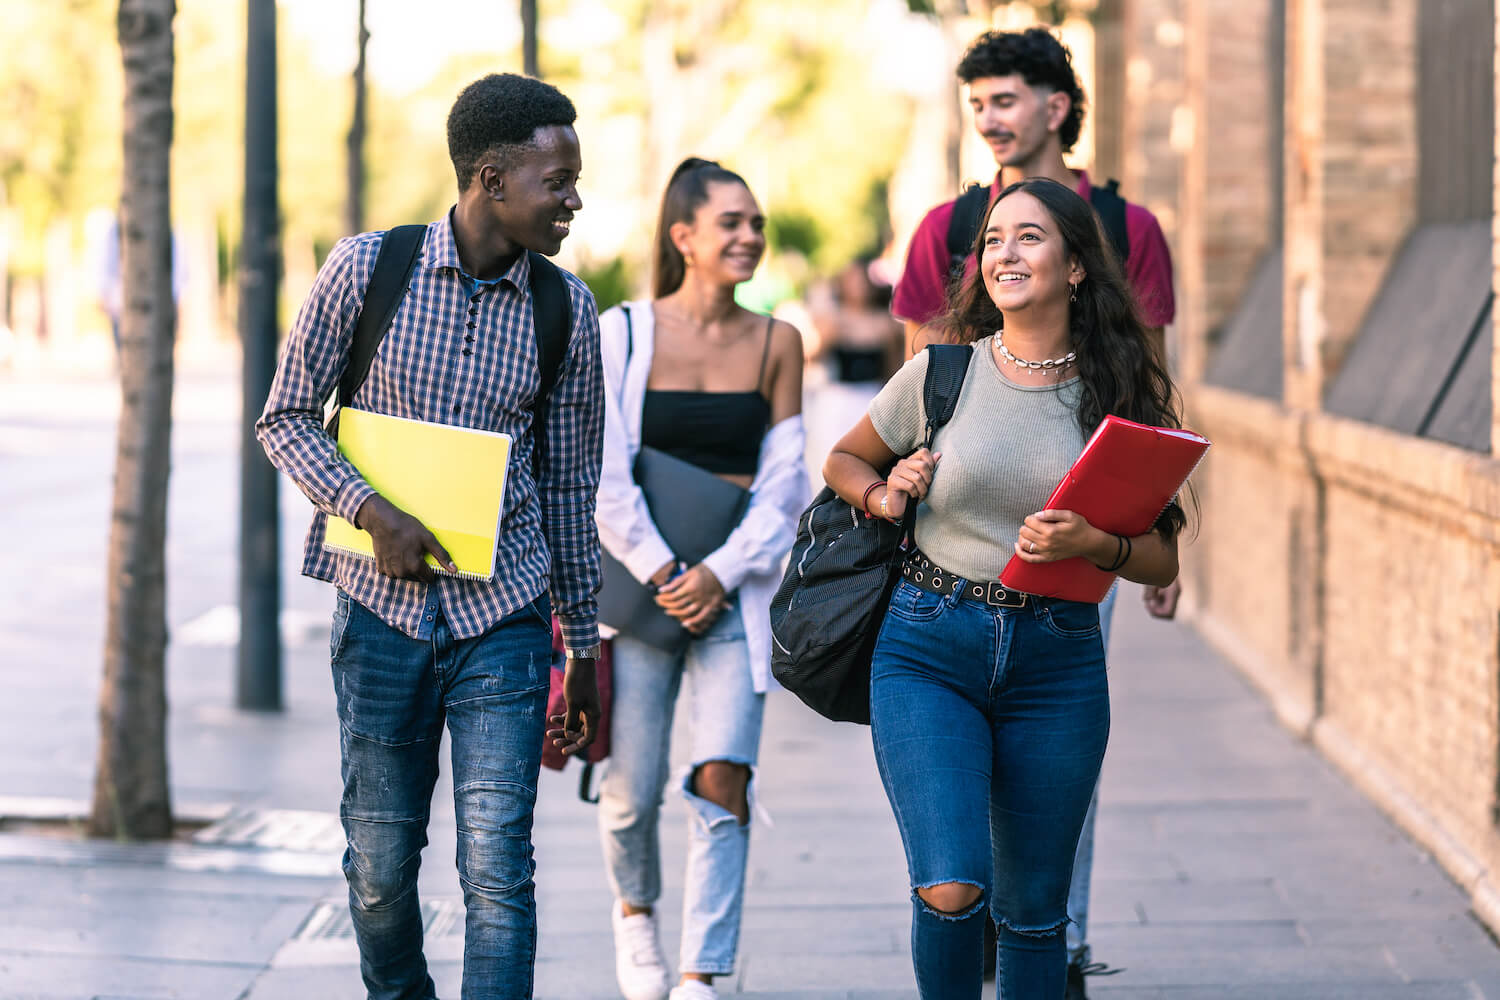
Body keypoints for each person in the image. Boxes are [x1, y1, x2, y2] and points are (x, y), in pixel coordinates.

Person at [256, 73, 604, 1000]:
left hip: (507, 620)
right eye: (557, 180)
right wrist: (373, 514)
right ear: (490, 179)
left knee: (498, 872)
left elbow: (571, 488)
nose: (575, 198)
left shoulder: (567, 312)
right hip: (380, 618)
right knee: (378, 870)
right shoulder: (369, 269)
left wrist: (582, 645)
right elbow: (285, 417)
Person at [824, 177, 1188, 999]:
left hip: (1057, 662)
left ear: (1075, 268)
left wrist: (1095, 541)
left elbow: (1162, 560)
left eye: (1029, 237)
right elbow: (844, 460)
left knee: (1033, 916)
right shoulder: (941, 374)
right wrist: (888, 494)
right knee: (951, 886)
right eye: (993, 240)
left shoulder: (1117, 396)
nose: (1004, 253)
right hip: (928, 646)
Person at [892, 28, 1183, 991]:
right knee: (954, 856)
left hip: (1066, 578)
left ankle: (1059, 949)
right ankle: (995, 924)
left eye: (1005, 99)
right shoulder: (944, 227)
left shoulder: (1129, 227)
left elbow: (1147, 387)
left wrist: (1131, 537)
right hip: (948, 569)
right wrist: (908, 473)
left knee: (1047, 820)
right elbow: (918, 376)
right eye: (976, 104)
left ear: (1057, 106)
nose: (990, 119)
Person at [593, 158, 807, 1000]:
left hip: (733, 595)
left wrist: (717, 574)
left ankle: (700, 975)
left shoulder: (777, 341)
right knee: (629, 795)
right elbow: (602, 473)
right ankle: (635, 917)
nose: (749, 236)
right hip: (641, 597)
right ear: (683, 238)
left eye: (755, 222)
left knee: (724, 779)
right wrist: (664, 571)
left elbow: (786, 481)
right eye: (731, 223)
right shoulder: (624, 332)